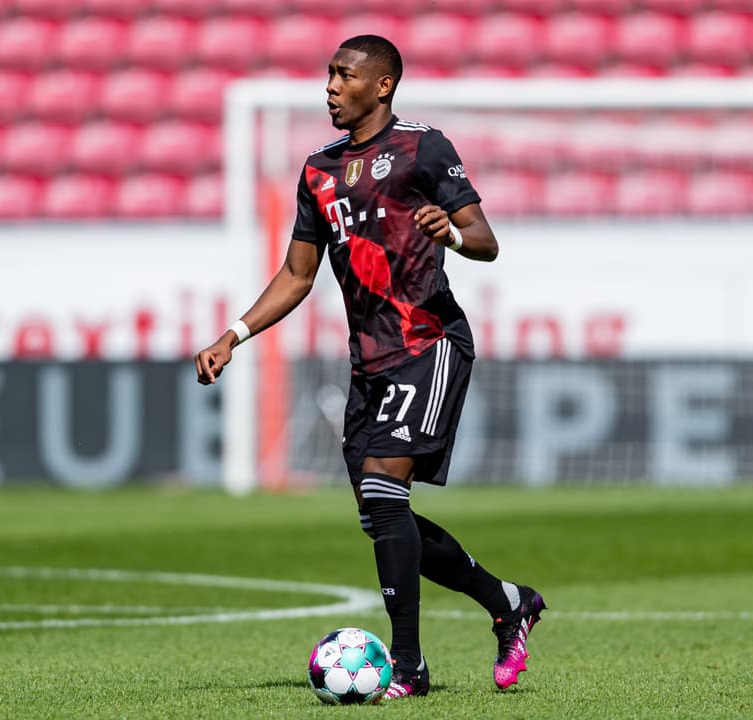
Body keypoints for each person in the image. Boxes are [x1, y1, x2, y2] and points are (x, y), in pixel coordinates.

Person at [194, 34, 545, 699]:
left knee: (385, 490)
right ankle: (506, 601)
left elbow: (486, 241)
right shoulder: (319, 170)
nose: (330, 85)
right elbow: (298, 276)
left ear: (381, 86)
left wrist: (452, 234)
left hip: (430, 342)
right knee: (384, 515)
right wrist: (232, 336)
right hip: (370, 363)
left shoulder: (423, 148)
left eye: (344, 75)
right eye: (328, 74)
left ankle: (409, 670)